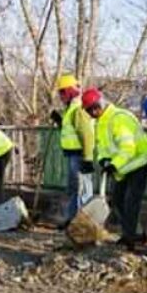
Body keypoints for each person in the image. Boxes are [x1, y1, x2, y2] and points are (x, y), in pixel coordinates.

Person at [82, 88, 147, 250]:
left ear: (100, 104)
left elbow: (128, 148)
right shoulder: (100, 123)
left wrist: (114, 164)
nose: (92, 112)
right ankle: (135, 233)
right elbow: (102, 148)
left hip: (140, 161)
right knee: (117, 200)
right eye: (89, 111)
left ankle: (130, 237)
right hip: (124, 166)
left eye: (94, 108)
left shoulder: (119, 118)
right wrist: (104, 161)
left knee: (131, 201)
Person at [50, 74, 95, 227]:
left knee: (83, 189)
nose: (60, 96)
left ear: (70, 91)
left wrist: (87, 159)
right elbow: (71, 130)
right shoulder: (71, 109)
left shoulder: (78, 109)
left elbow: (86, 134)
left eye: (62, 92)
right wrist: (60, 121)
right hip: (72, 154)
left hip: (80, 155)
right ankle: (71, 219)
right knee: (73, 188)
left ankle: (82, 224)